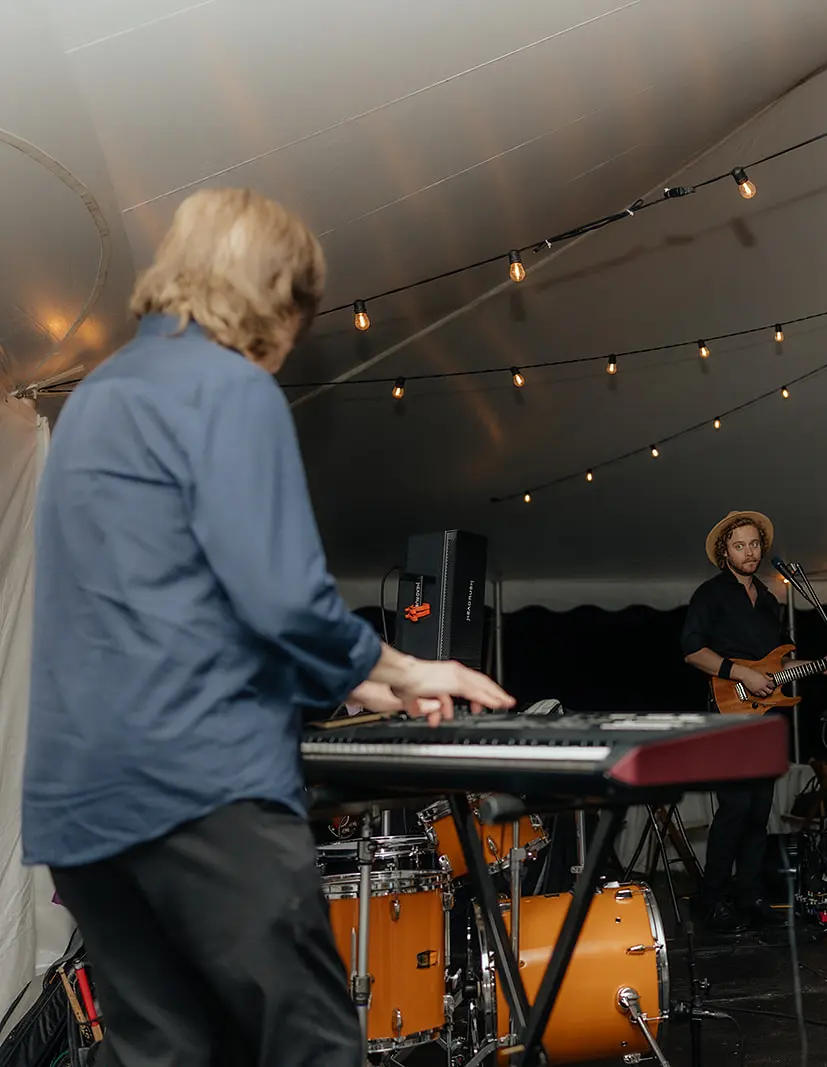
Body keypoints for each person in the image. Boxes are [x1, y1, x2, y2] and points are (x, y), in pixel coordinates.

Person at [22, 188, 515, 1067]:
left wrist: (350, 679)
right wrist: (406, 670)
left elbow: (175, 597)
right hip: (198, 792)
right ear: (274, 295)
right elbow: (282, 597)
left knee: (167, 1052)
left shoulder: (98, 395)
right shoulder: (229, 388)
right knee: (310, 1045)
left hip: (81, 805)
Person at [681, 510, 827, 933]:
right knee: (734, 809)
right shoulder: (710, 594)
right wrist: (741, 674)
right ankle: (710, 900)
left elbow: (779, 666)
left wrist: (820, 664)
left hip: (765, 717)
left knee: (759, 810)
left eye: (754, 544)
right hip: (728, 714)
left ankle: (750, 896)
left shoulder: (770, 600)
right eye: (740, 545)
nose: (749, 552)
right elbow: (693, 651)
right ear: (725, 552)